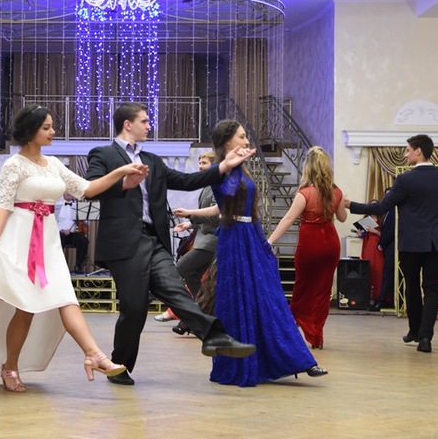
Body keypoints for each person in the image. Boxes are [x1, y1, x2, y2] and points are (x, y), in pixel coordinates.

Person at [0, 104, 148, 392]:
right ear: (31, 132)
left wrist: (121, 174)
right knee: (25, 308)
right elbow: (4, 203)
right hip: (20, 237)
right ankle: (10, 366)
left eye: (52, 126)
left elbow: (87, 189)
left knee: (66, 297)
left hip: (47, 241)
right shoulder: (14, 165)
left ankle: (94, 354)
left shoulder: (54, 164)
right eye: (46, 127)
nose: (53, 131)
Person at [86, 103, 256, 386]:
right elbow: (90, 188)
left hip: (153, 240)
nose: (149, 125)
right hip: (122, 243)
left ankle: (213, 336)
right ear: (127, 124)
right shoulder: (103, 154)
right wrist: (123, 183)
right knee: (134, 308)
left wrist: (224, 166)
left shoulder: (152, 161)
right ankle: (120, 365)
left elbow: (188, 181)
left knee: (176, 289)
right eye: (144, 121)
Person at [175, 120, 326, 387]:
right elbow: (227, 197)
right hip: (233, 240)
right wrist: (231, 166)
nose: (247, 141)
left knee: (268, 298)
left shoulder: (240, 168)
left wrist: (263, 243)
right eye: (242, 137)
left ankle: (300, 360)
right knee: (237, 301)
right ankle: (241, 364)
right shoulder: (221, 171)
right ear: (227, 141)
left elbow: (244, 209)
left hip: (251, 237)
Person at [345, 134, 438, 353]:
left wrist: (351, 205)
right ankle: (425, 337)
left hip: (411, 242)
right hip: (437, 242)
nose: (405, 154)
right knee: (432, 290)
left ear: (418, 151)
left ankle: (415, 330)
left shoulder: (405, 179)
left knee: (411, 286)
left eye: (407, 150)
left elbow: (381, 207)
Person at [267, 146, 346, 350]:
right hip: (331, 243)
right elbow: (342, 218)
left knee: (302, 286)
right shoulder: (337, 192)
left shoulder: (305, 193)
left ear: (308, 168)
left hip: (310, 243)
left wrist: (270, 240)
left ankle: (293, 325)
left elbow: (288, 219)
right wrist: (342, 203)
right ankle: (317, 334)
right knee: (323, 290)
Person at [157, 150, 219, 329]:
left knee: (179, 269)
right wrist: (189, 224)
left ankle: (187, 313)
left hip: (211, 241)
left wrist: (190, 215)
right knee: (192, 275)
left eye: (204, 163)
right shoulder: (208, 185)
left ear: (214, 165)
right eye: (199, 163)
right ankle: (202, 314)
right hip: (203, 239)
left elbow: (215, 215)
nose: (200, 166)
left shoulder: (216, 185)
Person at [55, 192, 89, 274]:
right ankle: (59, 267)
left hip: (74, 234)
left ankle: (78, 266)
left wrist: (83, 221)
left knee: (83, 240)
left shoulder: (78, 206)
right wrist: (62, 230)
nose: (69, 193)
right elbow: (52, 222)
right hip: (60, 233)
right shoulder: (57, 205)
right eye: (67, 191)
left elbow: (87, 222)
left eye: (71, 192)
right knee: (59, 239)